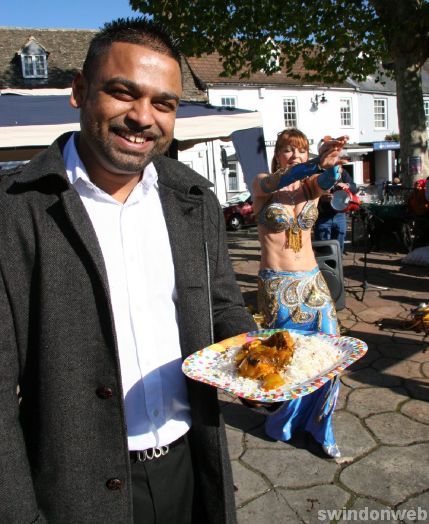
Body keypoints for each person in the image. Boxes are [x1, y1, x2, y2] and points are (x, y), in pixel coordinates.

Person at [0, 18, 257, 524]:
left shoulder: (194, 197)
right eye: (123, 93)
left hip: (191, 464)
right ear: (78, 91)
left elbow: (221, 303)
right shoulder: (15, 212)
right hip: (72, 489)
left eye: (164, 103)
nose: (144, 117)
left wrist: (263, 369)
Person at [251, 128, 348, 458]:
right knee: (290, 357)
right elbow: (281, 180)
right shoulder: (263, 183)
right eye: (288, 150)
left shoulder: (310, 188)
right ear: (278, 155)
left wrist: (331, 165)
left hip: (313, 282)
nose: (295, 155)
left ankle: (321, 426)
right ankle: (284, 422)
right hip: (278, 285)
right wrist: (314, 164)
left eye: (301, 151)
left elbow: (326, 181)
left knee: (330, 352)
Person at [314, 162, 357, 253]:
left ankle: (338, 265)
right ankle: (325, 266)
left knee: (338, 246)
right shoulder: (317, 173)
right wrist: (321, 198)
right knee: (323, 248)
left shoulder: (342, 173)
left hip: (339, 215)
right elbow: (310, 194)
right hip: (323, 216)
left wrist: (347, 185)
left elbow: (354, 188)